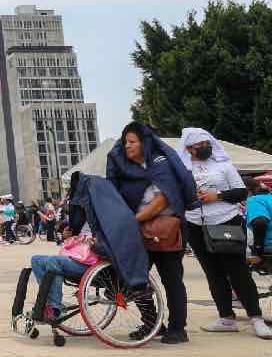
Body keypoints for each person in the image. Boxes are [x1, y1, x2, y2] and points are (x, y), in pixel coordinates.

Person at [105, 122, 197, 345]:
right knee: (134, 280)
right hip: (139, 231)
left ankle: (178, 329)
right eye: (125, 142)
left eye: (132, 142)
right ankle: (151, 323)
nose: (127, 146)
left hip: (164, 231)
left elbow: (161, 201)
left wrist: (132, 220)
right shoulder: (127, 168)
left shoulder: (160, 163)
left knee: (171, 280)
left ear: (144, 143)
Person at [177, 128, 270, 339]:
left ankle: (256, 318)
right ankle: (226, 317)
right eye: (199, 145)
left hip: (226, 220)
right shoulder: (182, 169)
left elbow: (240, 191)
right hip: (195, 224)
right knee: (213, 272)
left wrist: (216, 196)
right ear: (189, 148)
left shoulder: (223, 165)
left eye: (207, 144)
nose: (205, 148)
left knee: (237, 270)